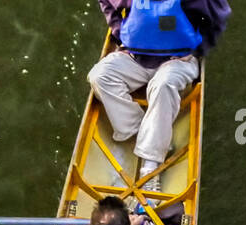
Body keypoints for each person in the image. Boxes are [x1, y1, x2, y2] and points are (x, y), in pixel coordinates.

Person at [89, 2, 231, 191]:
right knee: (99, 76)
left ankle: (150, 168)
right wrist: (119, 33)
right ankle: (139, 129)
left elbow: (220, 14)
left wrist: (197, 50)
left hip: (177, 60)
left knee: (163, 85)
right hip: (135, 57)